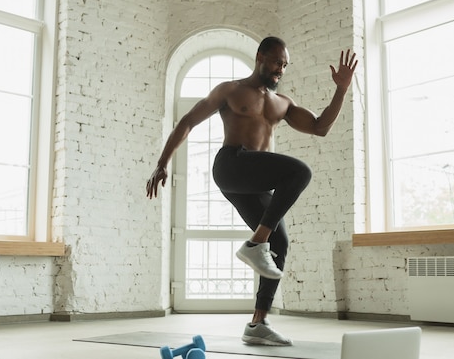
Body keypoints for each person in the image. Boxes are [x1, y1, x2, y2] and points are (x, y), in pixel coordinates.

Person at [146, 36, 357, 346]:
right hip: (231, 165)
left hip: (252, 181)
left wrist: (341, 89)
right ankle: (256, 243)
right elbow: (189, 121)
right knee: (300, 172)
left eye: (285, 65)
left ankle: (258, 324)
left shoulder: (281, 103)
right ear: (260, 56)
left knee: (280, 241)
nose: (280, 69)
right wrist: (162, 162)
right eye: (276, 62)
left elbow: (320, 126)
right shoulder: (230, 90)